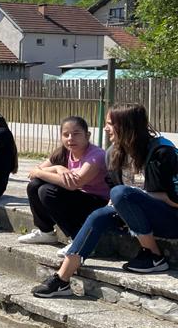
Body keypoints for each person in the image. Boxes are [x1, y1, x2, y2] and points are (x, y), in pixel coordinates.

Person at [32, 105, 175, 298]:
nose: (106, 128)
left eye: (110, 124)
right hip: (132, 214)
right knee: (99, 215)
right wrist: (121, 201)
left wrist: (130, 197)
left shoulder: (162, 152)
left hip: (169, 219)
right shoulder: (113, 153)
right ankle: (62, 279)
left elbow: (173, 199)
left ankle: (154, 255)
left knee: (120, 193)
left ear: (127, 125)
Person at [18, 116, 109, 247]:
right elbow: (34, 173)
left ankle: (78, 239)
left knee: (47, 191)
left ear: (87, 135)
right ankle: (46, 232)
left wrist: (40, 172)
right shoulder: (63, 152)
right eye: (66, 135)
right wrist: (57, 168)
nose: (70, 138)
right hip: (78, 199)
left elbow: (74, 184)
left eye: (76, 134)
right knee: (35, 185)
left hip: (98, 203)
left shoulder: (96, 155)